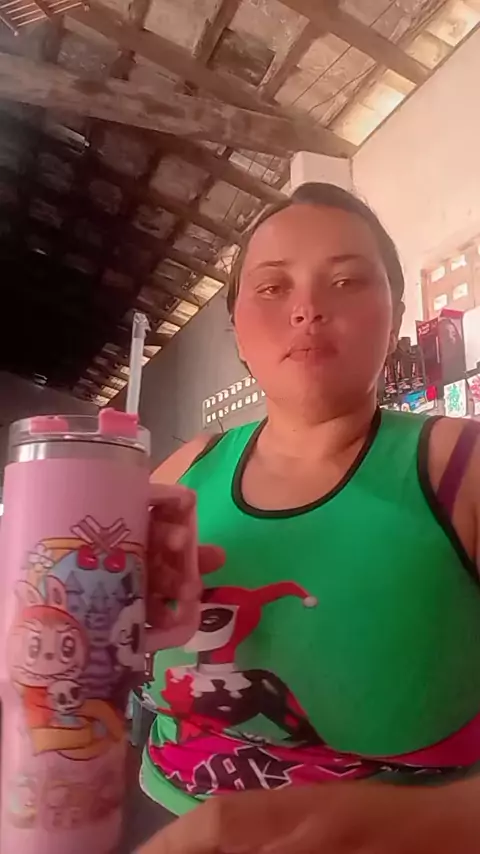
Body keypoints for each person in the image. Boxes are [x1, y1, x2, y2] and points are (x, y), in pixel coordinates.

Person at [139, 182, 480, 853]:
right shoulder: (181, 475)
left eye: (346, 281)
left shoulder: (461, 470)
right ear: (236, 327)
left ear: (395, 313)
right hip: (158, 820)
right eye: (272, 287)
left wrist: (415, 823)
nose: (308, 309)